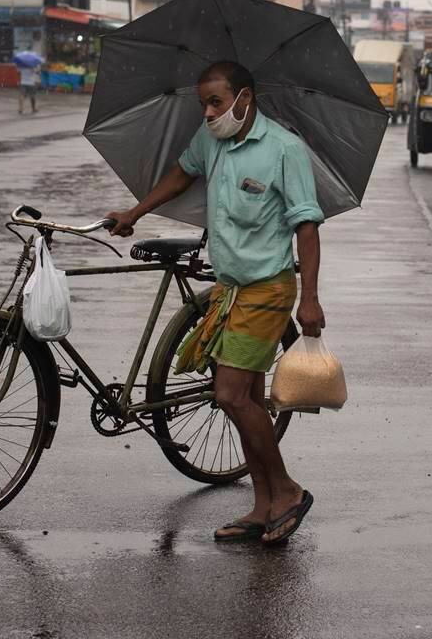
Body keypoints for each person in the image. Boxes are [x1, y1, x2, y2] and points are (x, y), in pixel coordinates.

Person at [106, 60, 325, 545]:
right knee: (243, 400)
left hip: (267, 290)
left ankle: (287, 491)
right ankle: (263, 505)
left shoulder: (284, 150)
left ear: (244, 98)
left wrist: (309, 298)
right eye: (203, 103)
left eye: (215, 102)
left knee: (228, 395)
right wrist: (134, 212)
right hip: (229, 291)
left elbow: (306, 227)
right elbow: (180, 176)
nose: (207, 113)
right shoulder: (211, 142)